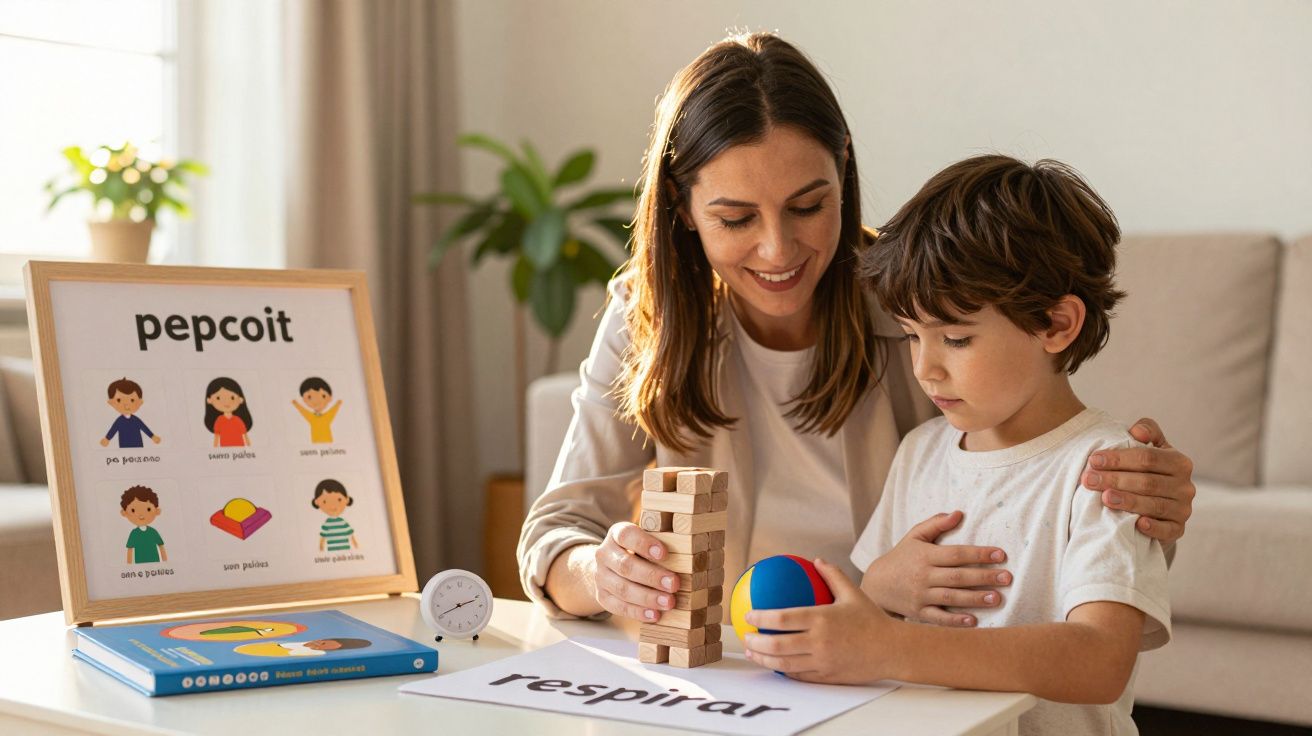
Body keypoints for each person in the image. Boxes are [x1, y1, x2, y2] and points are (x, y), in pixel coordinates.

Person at [517, 32, 1196, 628]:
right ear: (684, 207)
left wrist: (1133, 495)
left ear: (844, 167)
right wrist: (600, 572)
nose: (779, 250)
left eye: (808, 206)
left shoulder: (915, 308)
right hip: (727, 672)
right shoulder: (650, 314)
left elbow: (1034, 488)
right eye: (736, 219)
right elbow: (554, 535)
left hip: (886, 659)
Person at [741, 155, 1167, 735]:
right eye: (914, 335)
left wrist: (892, 645)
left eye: (957, 338)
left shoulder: (1103, 471)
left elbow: (1100, 660)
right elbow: (876, 624)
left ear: (1056, 325)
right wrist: (878, 592)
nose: (925, 368)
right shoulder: (920, 450)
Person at [100, 377, 162, 448]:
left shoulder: (136, 420)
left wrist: (153, 436)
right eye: (119, 400)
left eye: (132, 400)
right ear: (111, 403)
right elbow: (113, 430)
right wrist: (107, 439)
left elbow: (144, 428)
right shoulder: (119, 421)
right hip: (124, 445)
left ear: (140, 402)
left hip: (138, 444)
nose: (126, 405)